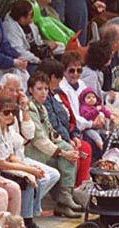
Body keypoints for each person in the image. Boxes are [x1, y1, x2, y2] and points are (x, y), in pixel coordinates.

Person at [0, 97, 56, 228]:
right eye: (6, 112)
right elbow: (1, 164)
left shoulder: (7, 128)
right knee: (26, 182)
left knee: (36, 177)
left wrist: (30, 168)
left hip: (3, 163)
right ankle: (26, 221)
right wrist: (28, 171)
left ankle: (28, 218)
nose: (10, 115)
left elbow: (10, 156)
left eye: (13, 112)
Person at [23, 72, 84, 217]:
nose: (43, 92)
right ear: (31, 90)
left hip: (43, 151)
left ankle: (64, 201)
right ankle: (64, 198)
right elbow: (39, 140)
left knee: (70, 151)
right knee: (66, 156)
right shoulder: (30, 108)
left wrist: (67, 145)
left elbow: (51, 133)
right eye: (39, 88)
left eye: (45, 88)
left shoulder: (42, 107)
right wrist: (63, 152)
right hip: (32, 153)